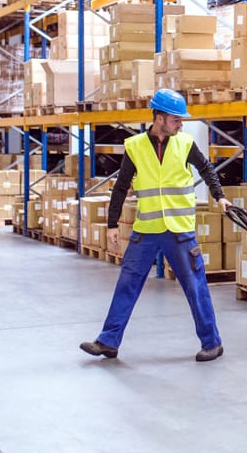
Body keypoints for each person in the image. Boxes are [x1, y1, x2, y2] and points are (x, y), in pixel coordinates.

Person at [80, 88, 233, 362]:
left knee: (195, 286)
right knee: (127, 284)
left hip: (179, 231)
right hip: (147, 231)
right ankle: (108, 341)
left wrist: (220, 197)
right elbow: (121, 187)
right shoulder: (135, 146)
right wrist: (112, 224)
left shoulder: (185, 143)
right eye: (176, 119)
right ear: (160, 118)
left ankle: (212, 342)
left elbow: (207, 170)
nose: (181, 124)